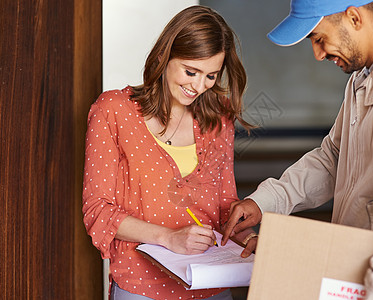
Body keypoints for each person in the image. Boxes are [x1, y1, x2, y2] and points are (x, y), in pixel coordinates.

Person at [222, 0, 373, 299]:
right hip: (362, 270)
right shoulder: (365, 77)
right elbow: (334, 158)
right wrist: (267, 201)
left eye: (319, 38)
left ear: (354, 17)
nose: (318, 54)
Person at [82, 5, 255, 300]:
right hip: (141, 287)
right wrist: (168, 238)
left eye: (211, 76)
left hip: (211, 286)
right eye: (191, 71)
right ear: (165, 55)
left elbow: (224, 204)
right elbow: (98, 211)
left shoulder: (219, 119)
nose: (199, 86)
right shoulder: (113, 111)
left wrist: (245, 235)